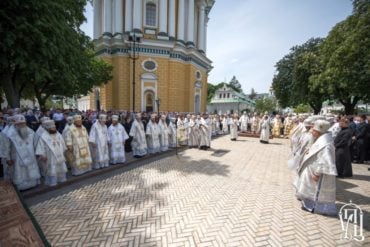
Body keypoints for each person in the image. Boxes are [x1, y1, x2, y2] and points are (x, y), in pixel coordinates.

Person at [296, 120, 337, 215]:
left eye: (313, 130)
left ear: (319, 131)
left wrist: (317, 173)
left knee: (316, 191)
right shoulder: (319, 139)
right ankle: (308, 205)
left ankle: (315, 207)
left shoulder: (326, 144)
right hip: (312, 170)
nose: (311, 131)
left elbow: (326, 161)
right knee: (310, 189)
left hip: (318, 173)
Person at [6, 115, 40, 190]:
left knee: (30, 169)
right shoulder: (9, 134)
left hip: (31, 155)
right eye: (20, 124)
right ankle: (21, 187)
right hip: (17, 158)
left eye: (24, 123)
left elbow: (36, 143)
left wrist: (37, 152)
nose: (22, 125)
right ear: (15, 124)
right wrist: (8, 158)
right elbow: (6, 147)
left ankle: (33, 183)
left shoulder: (30, 131)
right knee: (20, 172)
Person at [35, 120, 68, 186]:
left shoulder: (58, 134)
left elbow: (62, 142)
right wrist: (42, 155)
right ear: (48, 129)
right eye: (52, 128)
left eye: (54, 127)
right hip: (50, 156)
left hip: (60, 155)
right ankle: (53, 182)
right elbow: (40, 147)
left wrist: (64, 150)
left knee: (61, 167)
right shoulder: (43, 136)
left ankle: (61, 179)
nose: (54, 129)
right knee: (52, 170)